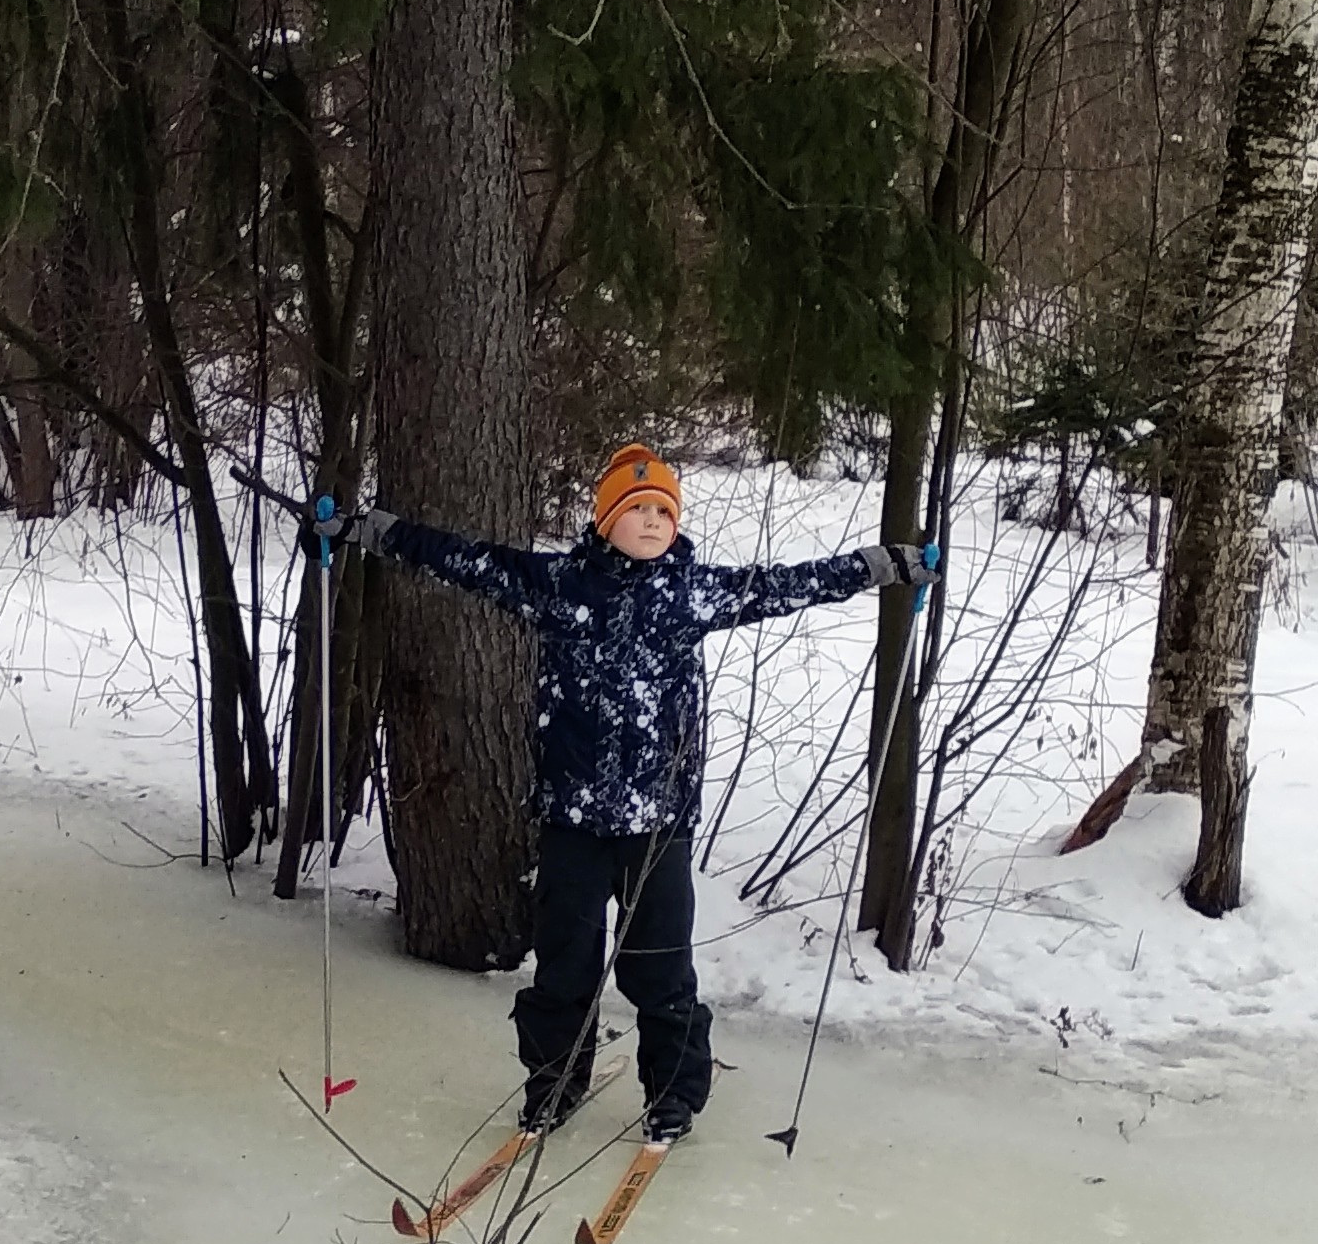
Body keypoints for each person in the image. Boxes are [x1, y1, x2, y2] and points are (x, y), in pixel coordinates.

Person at [342, 445, 937, 1145]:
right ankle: (555, 1085)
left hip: (658, 824)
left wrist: (881, 565)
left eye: (663, 509)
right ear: (604, 521)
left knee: (658, 968)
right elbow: (464, 559)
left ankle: (674, 1096)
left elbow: (789, 584)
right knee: (564, 963)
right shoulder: (559, 583)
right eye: (635, 509)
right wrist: (368, 529)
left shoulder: (691, 591)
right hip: (571, 817)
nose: (652, 521)